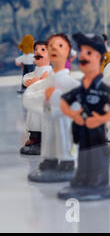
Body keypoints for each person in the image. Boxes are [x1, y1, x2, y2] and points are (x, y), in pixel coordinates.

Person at [58, 33, 110, 201]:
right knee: (83, 154)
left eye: (88, 52)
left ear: (98, 57)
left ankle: (98, 179)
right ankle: (83, 177)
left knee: (98, 154)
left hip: (97, 132)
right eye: (81, 52)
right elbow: (64, 101)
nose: (82, 57)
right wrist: (73, 114)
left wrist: (101, 119)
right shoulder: (81, 87)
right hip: (81, 128)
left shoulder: (103, 87)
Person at [23, 34, 80, 182]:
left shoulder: (70, 82)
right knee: (49, 140)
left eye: (60, 46)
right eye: (52, 46)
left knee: (63, 139)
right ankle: (50, 160)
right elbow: (31, 95)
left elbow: (78, 100)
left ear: (68, 53)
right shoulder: (47, 80)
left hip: (64, 121)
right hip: (48, 119)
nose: (54, 48)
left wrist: (56, 97)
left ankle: (67, 162)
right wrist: (44, 97)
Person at [20, 40, 52, 155]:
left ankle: (45, 140)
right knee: (33, 121)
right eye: (36, 50)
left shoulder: (49, 71)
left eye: (42, 50)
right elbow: (27, 77)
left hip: (44, 104)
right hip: (33, 104)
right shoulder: (35, 71)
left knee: (43, 121)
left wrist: (38, 81)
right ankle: (34, 137)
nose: (38, 52)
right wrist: (28, 81)